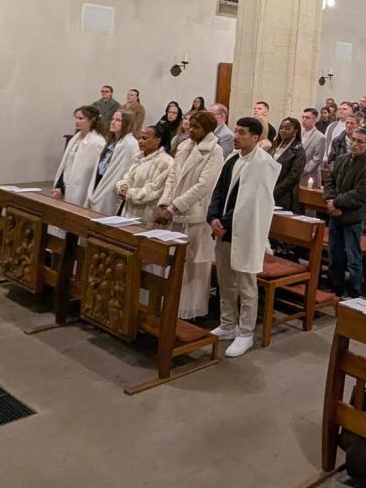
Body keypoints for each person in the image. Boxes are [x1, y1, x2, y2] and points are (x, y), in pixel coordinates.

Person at [206, 117, 280, 357]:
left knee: (246, 283)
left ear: (255, 138)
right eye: (235, 131)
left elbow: (249, 201)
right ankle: (228, 323)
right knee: (225, 279)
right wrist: (213, 217)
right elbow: (219, 190)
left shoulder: (263, 164)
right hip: (224, 229)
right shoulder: (232, 159)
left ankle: (245, 332)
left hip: (245, 231)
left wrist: (224, 223)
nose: (236, 136)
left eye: (242, 133)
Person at [154, 110, 225, 319]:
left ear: (207, 129)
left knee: (192, 265)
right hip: (173, 210)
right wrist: (165, 202)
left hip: (194, 213)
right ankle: (169, 308)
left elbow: (204, 185)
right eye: (189, 125)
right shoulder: (184, 146)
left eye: (196, 127)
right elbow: (172, 176)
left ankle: (189, 312)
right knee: (173, 262)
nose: (190, 130)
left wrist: (175, 207)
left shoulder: (215, 151)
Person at [323, 128, 366, 298]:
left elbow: (360, 195)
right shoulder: (341, 160)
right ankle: (336, 287)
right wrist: (330, 201)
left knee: (353, 257)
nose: (355, 144)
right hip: (335, 215)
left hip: (352, 217)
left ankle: (354, 292)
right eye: (353, 140)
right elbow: (330, 182)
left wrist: (336, 203)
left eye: (360, 141)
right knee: (335, 254)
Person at [84, 109, 139, 215]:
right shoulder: (111, 142)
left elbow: (124, 172)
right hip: (99, 182)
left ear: (127, 124)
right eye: (112, 119)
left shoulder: (130, 144)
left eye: (118, 120)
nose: (113, 122)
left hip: (111, 190)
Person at [117, 127, 174, 224]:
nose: (140, 141)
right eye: (139, 138)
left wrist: (129, 193)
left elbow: (155, 189)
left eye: (144, 138)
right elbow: (128, 177)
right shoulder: (139, 157)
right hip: (129, 210)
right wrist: (123, 186)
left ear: (157, 140)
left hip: (148, 214)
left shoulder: (166, 162)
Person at [52, 105, 106, 205]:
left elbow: (86, 173)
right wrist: (60, 185)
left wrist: (64, 190)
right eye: (76, 118)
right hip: (66, 184)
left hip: (80, 189)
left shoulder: (96, 142)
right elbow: (66, 164)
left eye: (81, 118)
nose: (77, 121)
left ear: (92, 120)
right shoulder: (76, 138)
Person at [268, 116, 305, 213]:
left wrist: (275, 191)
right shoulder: (274, 145)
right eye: (281, 128)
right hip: (269, 187)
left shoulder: (298, 150)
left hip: (285, 194)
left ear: (295, 131)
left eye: (287, 128)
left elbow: (293, 176)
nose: (283, 131)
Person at [298, 107, 326, 187]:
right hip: (296, 174)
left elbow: (316, 159)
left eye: (307, 118)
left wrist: (302, 171)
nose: (304, 120)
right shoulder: (299, 133)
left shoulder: (320, 137)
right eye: (303, 117)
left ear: (315, 120)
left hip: (309, 175)